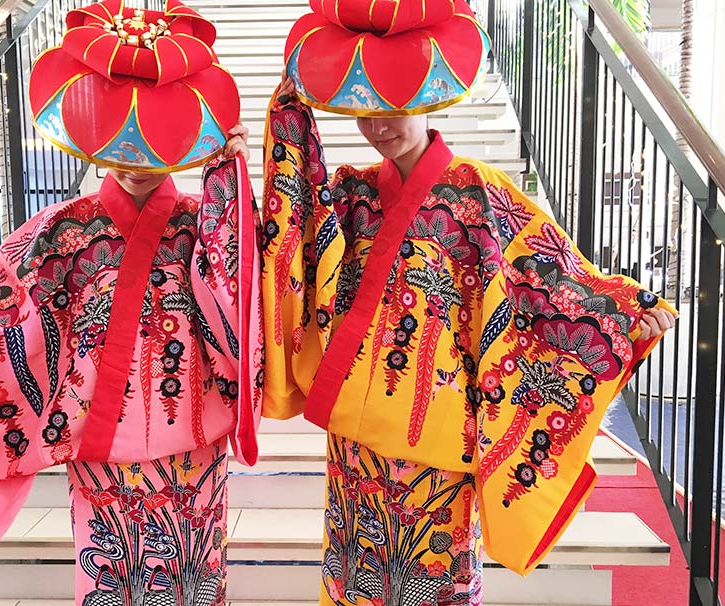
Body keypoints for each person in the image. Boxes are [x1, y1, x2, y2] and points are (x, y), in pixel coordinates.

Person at [260, 1, 676, 604]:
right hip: (356, 443)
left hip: (439, 442)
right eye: (364, 110)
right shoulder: (351, 194)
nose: (377, 125)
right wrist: (286, 116)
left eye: (393, 107)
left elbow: (544, 280)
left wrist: (626, 312)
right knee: (357, 579)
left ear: (428, 98)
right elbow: (295, 228)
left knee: (433, 581)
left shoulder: (479, 195)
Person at [0, 2, 261, 605]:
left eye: (153, 145)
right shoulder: (57, 232)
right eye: (121, 145)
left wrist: (229, 183)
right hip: (98, 452)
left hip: (193, 450)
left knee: (194, 584)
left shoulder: (205, 222)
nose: (136, 162)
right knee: (109, 583)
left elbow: (239, 298)